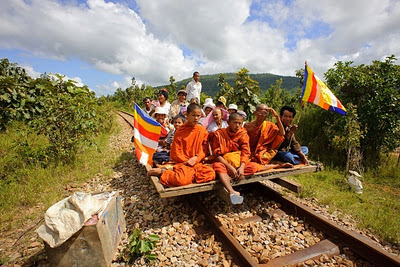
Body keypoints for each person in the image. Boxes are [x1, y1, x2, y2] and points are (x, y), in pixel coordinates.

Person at [147, 103, 216, 187]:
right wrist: (187, 162)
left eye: (198, 116)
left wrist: (196, 158)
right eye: (193, 115)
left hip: (197, 162)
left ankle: (189, 175)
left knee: (210, 174)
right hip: (183, 164)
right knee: (181, 180)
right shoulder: (180, 131)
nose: (196, 118)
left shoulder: (201, 130)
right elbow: (175, 153)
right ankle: (165, 172)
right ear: (187, 115)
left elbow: (204, 149)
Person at [210, 113, 263, 204]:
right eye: (235, 123)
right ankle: (231, 191)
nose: (237, 126)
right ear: (228, 122)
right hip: (224, 162)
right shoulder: (219, 134)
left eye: (240, 123)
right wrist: (229, 167)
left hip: (238, 162)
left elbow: (246, 152)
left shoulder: (243, 133)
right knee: (217, 166)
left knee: (253, 167)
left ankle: (234, 173)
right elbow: (217, 154)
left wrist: (241, 167)